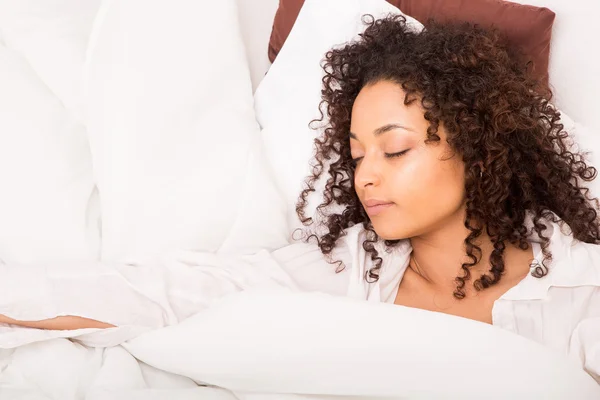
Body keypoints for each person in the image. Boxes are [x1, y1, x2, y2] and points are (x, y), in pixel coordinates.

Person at [1, 16, 598, 382]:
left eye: (394, 151)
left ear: (479, 148)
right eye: (358, 155)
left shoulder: (581, 293)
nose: (366, 177)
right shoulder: (353, 265)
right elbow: (182, 289)